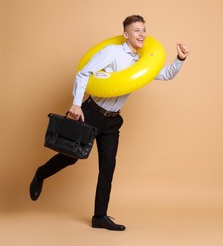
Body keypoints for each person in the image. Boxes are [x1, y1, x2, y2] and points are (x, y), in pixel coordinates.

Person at [29, 15, 190, 231]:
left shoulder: (142, 62)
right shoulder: (112, 52)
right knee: (70, 157)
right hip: (91, 113)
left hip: (113, 121)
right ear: (126, 34)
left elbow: (166, 75)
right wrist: (76, 104)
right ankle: (41, 173)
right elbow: (84, 72)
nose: (142, 34)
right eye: (137, 30)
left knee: (108, 167)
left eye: (144, 30)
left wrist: (179, 59)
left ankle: (99, 217)